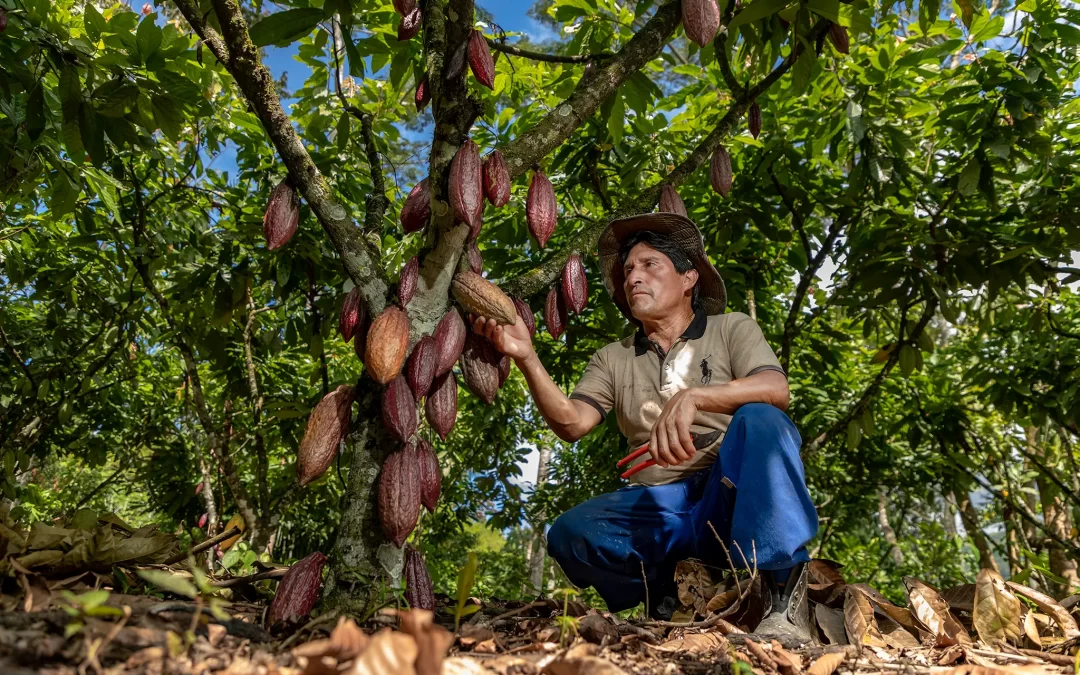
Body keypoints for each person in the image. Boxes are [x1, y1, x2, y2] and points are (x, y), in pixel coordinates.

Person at [469, 212, 818, 642]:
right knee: (571, 534)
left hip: (726, 497)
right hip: (661, 509)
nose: (634, 276)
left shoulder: (731, 329)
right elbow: (572, 423)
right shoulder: (612, 358)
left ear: (689, 277)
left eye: (650, 264)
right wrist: (526, 356)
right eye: (628, 269)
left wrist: (694, 397)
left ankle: (783, 598)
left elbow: (775, 388)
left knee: (761, 419)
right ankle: (669, 592)